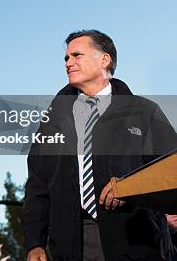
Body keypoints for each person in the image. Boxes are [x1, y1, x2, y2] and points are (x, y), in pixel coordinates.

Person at [23, 30, 177, 261]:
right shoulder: (52, 121)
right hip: (71, 244)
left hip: (135, 239)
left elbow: (170, 172)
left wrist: (130, 188)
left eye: (77, 55)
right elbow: (37, 184)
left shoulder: (144, 111)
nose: (68, 63)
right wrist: (34, 243)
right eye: (66, 58)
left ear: (105, 60)